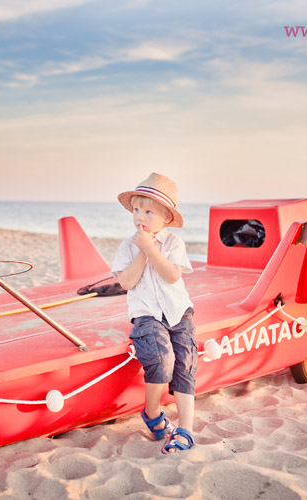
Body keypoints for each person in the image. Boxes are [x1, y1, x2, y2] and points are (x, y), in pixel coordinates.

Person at [111, 172, 197, 454]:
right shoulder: (127, 246)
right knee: (161, 359)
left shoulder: (174, 244)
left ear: (167, 218)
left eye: (149, 211)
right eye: (136, 209)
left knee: (185, 364)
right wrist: (143, 251)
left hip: (178, 312)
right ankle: (152, 412)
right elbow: (126, 282)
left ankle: (185, 427)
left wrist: (152, 247)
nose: (140, 216)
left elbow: (172, 275)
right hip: (147, 313)